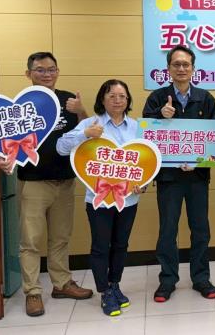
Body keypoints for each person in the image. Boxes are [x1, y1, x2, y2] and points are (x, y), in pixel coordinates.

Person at [0, 52, 93, 317]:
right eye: (40, 70)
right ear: (28, 73)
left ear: (58, 71)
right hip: (33, 182)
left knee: (61, 237)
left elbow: (89, 132)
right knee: (30, 241)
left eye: (52, 69)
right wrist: (3, 159)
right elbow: (3, 142)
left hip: (65, 180)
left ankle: (61, 284)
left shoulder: (68, 100)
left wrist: (81, 110)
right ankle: (32, 292)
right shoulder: (19, 106)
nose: (47, 74)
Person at [56, 79, 143, 316]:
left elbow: (146, 160)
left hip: (128, 199)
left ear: (128, 100)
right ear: (102, 100)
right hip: (98, 199)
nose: (117, 100)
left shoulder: (137, 127)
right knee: (101, 246)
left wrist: (142, 184)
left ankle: (115, 285)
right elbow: (61, 147)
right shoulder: (90, 123)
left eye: (122, 96)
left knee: (121, 245)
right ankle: (104, 292)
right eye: (111, 96)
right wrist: (85, 134)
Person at [142, 45, 215, 302]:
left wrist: (200, 163)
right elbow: (147, 133)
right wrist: (159, 115)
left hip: (197, 177)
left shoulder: (206, 98)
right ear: (169, 68)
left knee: (201, 229)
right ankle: (167, 280)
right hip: (169, 178)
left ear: (193, 68)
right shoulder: (157, 98)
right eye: (176, 64)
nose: (182, 68)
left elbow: (214, 139)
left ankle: (201, 278)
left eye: (186, 64)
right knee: (168, 230)